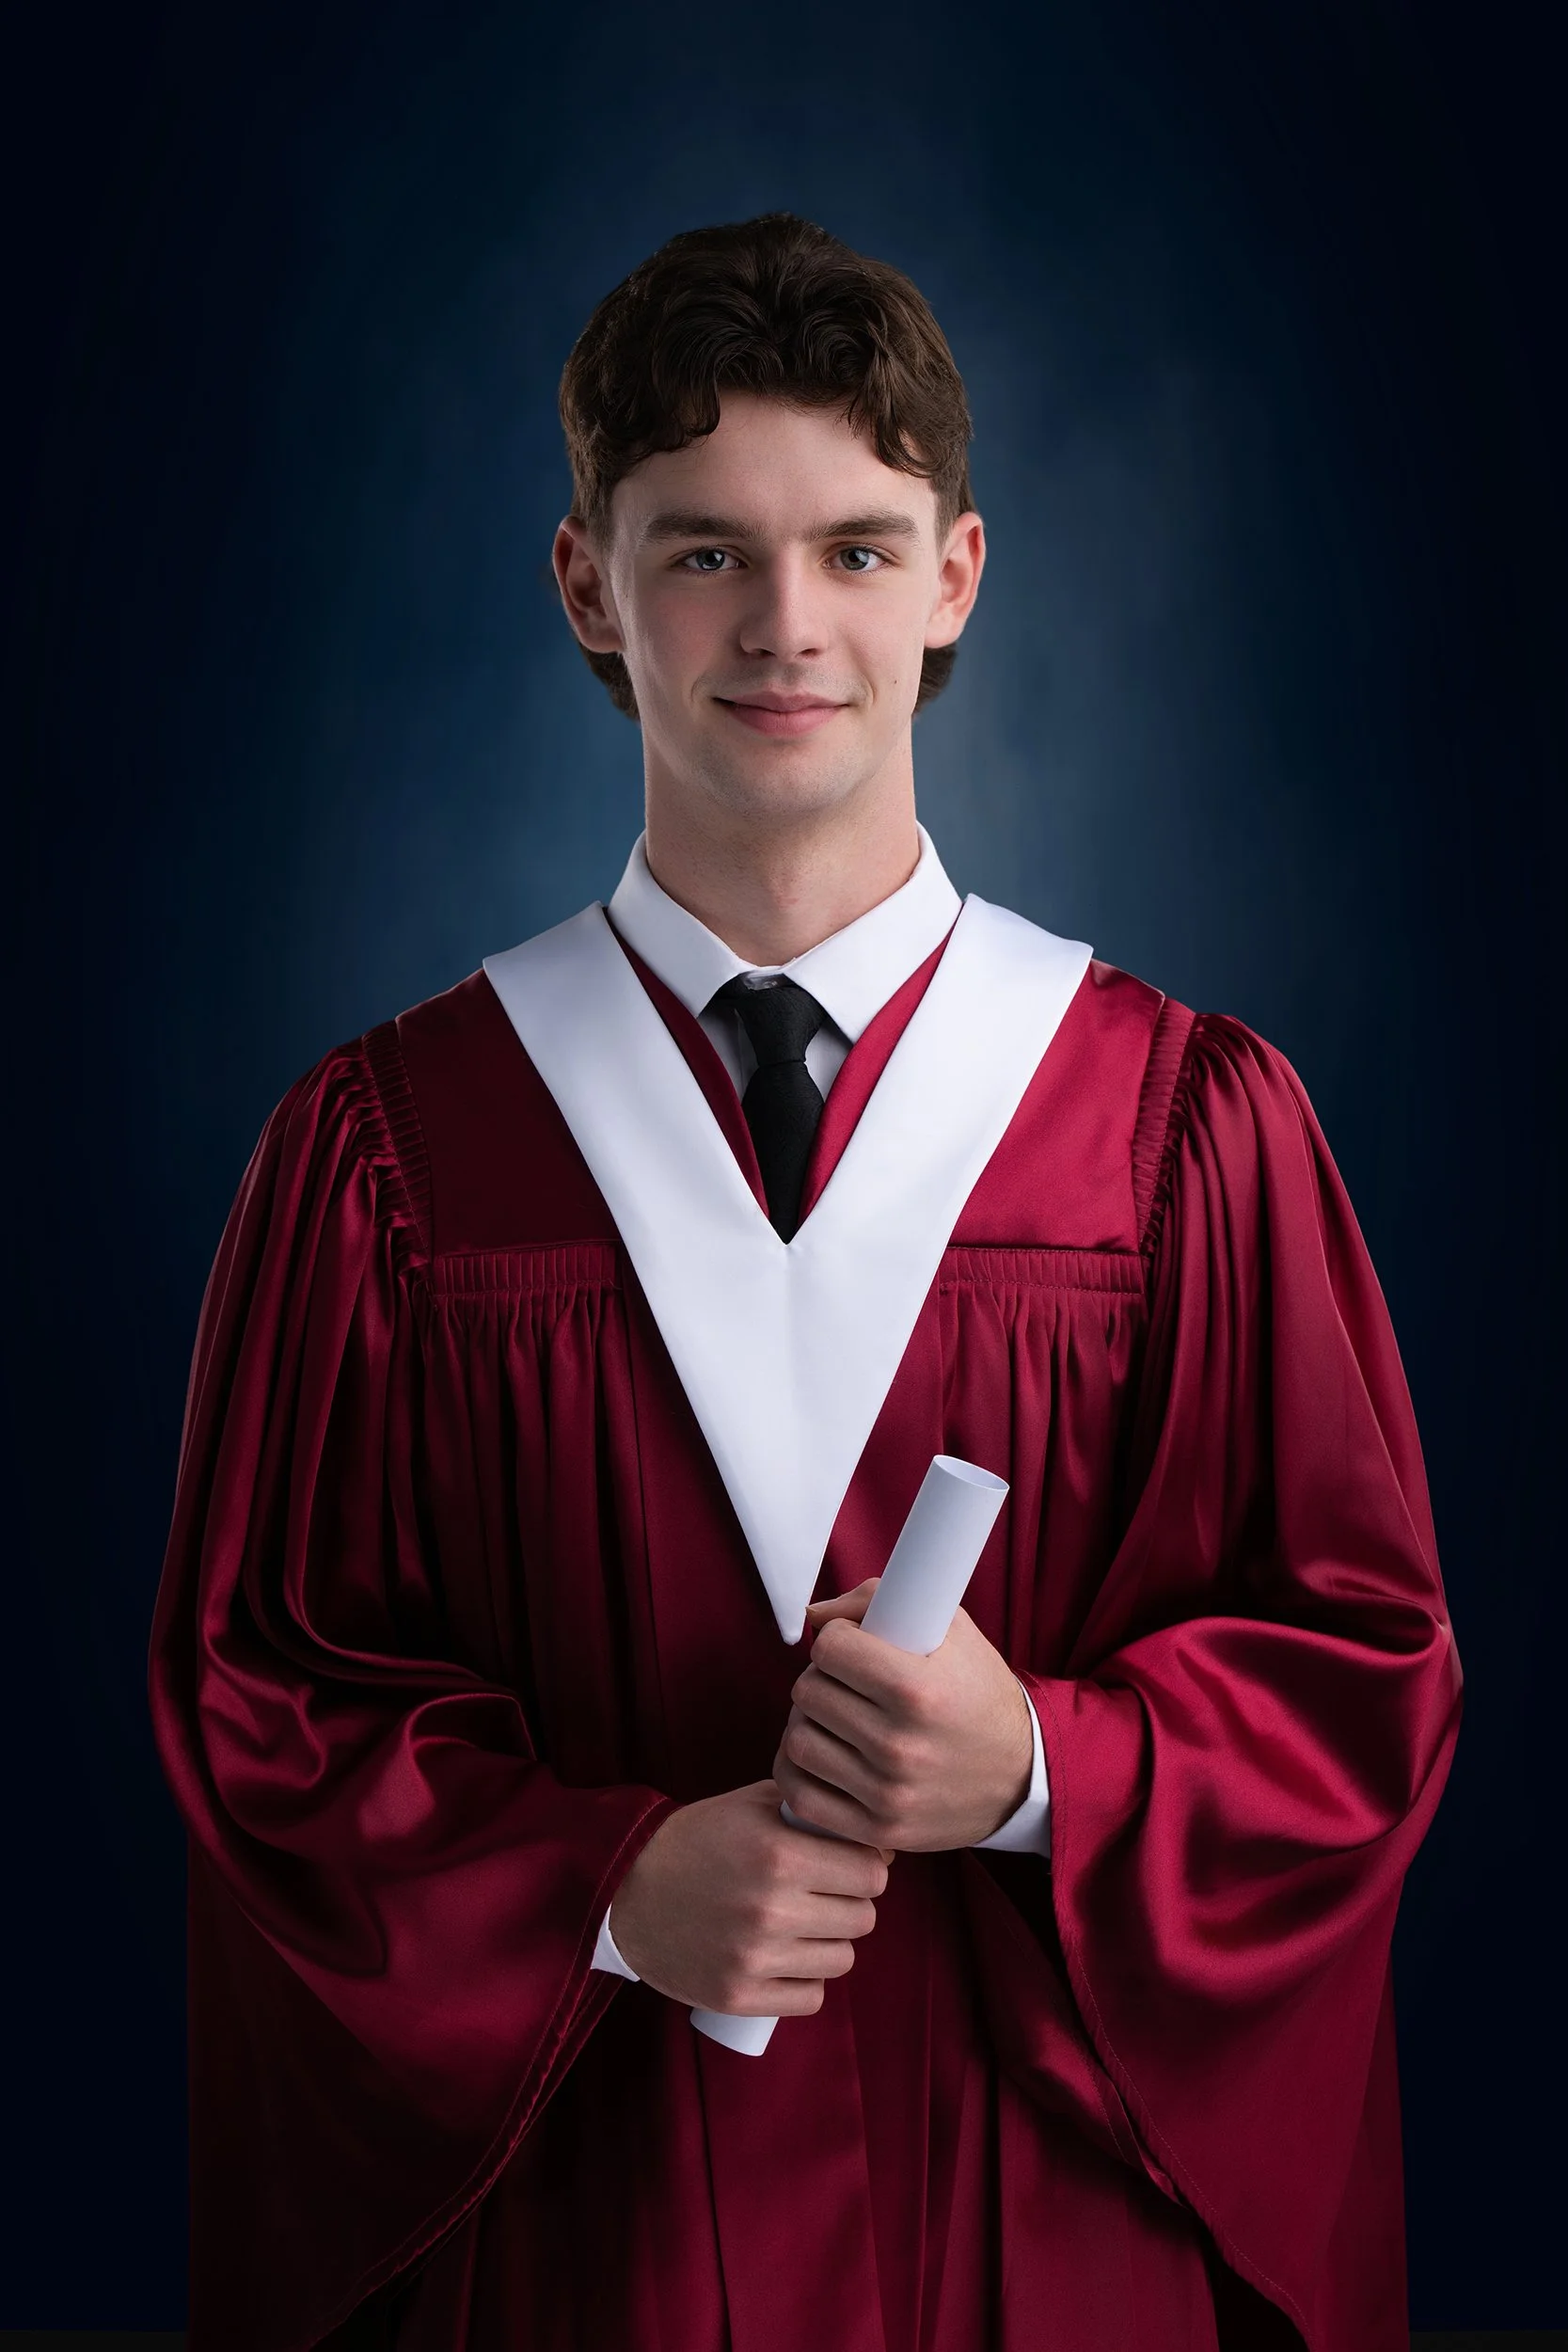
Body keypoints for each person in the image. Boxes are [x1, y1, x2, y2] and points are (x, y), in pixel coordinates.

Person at [148, 212, 1461, 2352]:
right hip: (584, 2248)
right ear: (587, 583)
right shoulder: (385, 1156)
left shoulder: (1177, 1127)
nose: (783, 624)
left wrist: (1045, 1763)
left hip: (1036, 2242)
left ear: (951, 576)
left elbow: (1359, 1665)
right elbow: (264, 1704)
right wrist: (598, 1887)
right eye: (701, 553)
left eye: (853, 548)